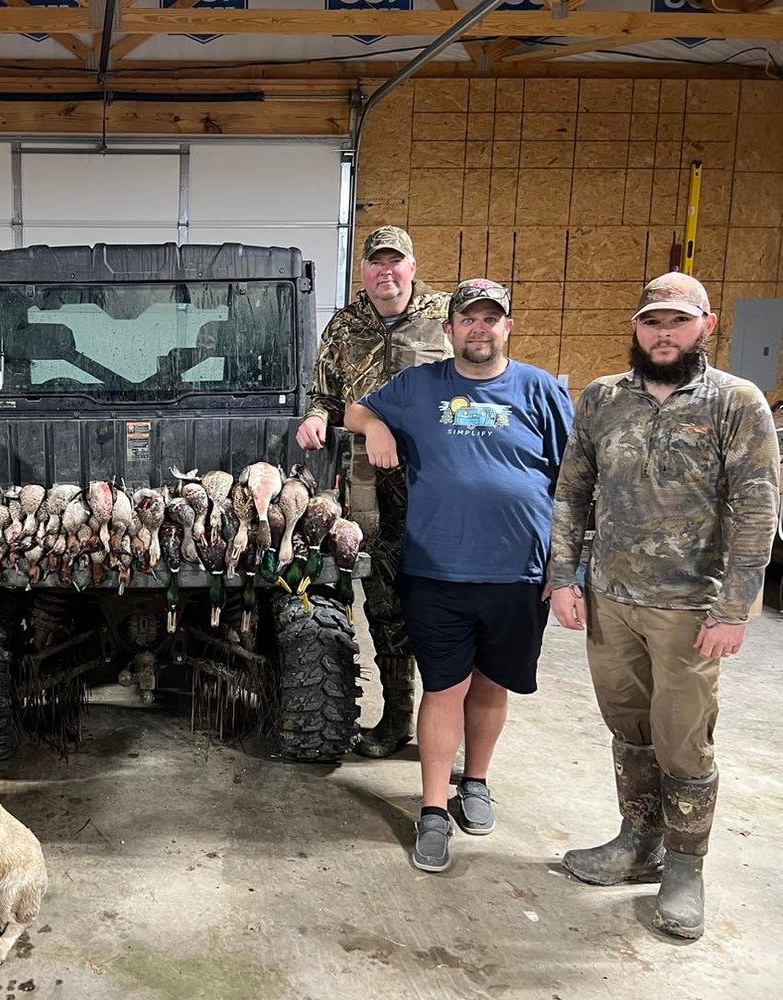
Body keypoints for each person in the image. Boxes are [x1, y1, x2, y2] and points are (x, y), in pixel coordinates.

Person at [549, 272, 780, 940]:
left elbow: (756, 507)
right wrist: (564, 576)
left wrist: (734, 609)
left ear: (705, 325)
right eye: (652, 322)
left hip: (689, 609)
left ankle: (684, 866)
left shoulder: (736, 403)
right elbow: (571, 491)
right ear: (636, 327)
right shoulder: (602, 399)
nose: (662, 334)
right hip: (610, 599)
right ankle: (636, 841)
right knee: (628, 728)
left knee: (682, 736)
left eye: (677, 322)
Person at [344, 278, 573, 873]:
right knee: (445, 685)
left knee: (492, 682)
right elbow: (354, 408)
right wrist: (375, 427)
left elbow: (575, 484)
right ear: (448, 331)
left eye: (490, 318)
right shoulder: (420, 386)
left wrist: (566, 563)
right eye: (467, 319)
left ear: (508, 327)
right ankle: (433, 810)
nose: (479, 328)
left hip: (520, 573)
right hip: (439, 569)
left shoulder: (542, 390)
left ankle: (477, 779)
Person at [297, 226, 451, 759]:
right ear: (363, 271)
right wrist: (316, 417)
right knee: (383, 603)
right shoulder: (345, 325)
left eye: (396, 262)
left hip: (440, 485)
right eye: (376, 263)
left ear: (412, 266)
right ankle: (397, 718)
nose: (386, 272)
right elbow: (323, 395)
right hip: (368, 483)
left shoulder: (448, 316)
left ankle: (448, 724)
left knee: (445, 607)